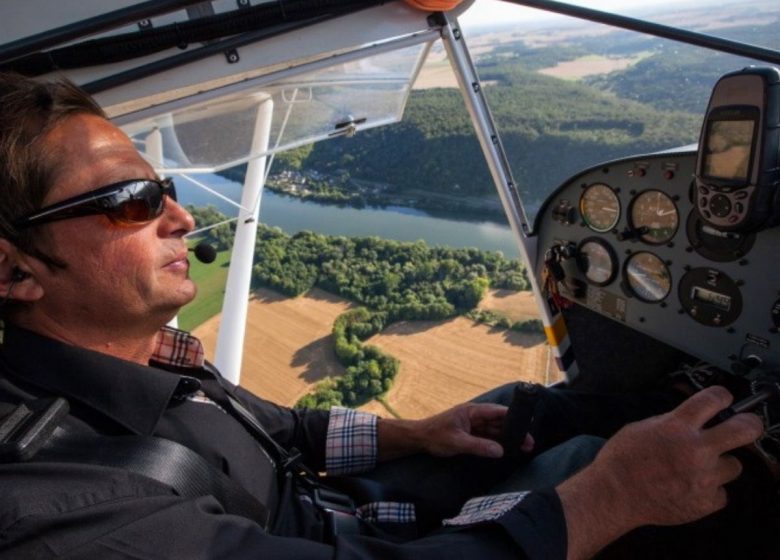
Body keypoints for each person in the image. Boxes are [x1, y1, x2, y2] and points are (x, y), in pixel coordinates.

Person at [0, 72, 765, 560]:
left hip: (332, 511)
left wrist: (417, 430)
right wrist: (612, 498)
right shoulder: (55, 507)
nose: (179, 214)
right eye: (128, 203)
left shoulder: (145, 354)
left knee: (525, 412)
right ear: (14, 270)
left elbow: (283, 430)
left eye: (162, 185)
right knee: (606, 478)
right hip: (358, 541)